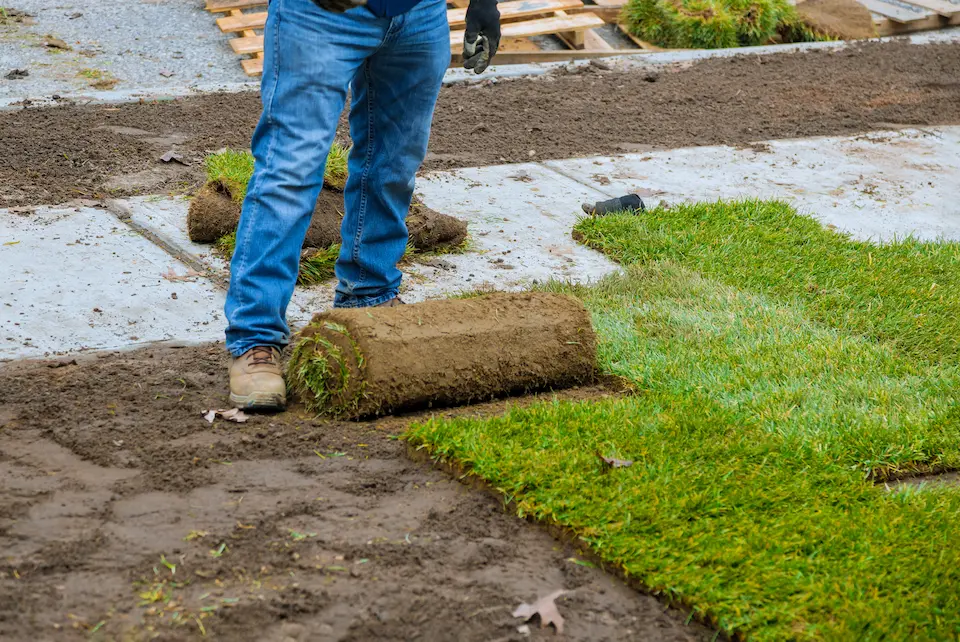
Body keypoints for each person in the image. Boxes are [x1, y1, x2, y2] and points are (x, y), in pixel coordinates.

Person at [224, 0, 501, 409]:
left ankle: (369, 296)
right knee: (290, 171)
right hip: (319, 15)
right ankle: (256, 339)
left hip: (418, 13)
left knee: (393, 165)